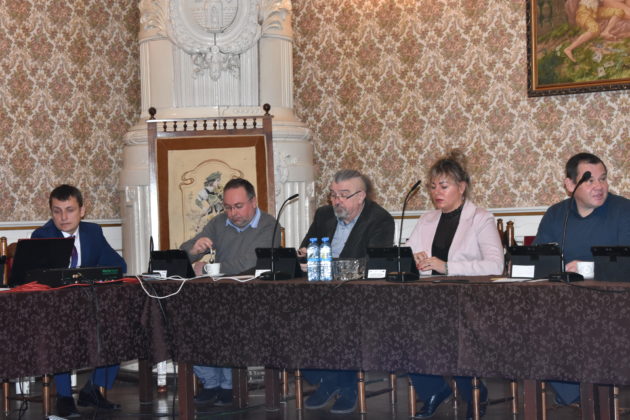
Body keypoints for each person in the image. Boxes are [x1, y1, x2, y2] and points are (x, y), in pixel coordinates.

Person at [405, 150, 503, 420]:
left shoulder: (480, 218)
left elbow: (495, 265)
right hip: (429, 297)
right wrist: (413, 259)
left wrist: (447, 267)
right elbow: (406, 255)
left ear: (461, 187)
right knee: (399, 325)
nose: (436, 192)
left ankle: (475, 394)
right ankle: (434, 390)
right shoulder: (426, 219)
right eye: (432, 186)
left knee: (450, 331)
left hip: (468, 299)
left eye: (443, 186)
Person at [533, 152, 630, 405]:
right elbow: (539, 261)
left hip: (612, 304)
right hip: (563, 304)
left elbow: (627, 264)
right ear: (570, 185)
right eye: (589, 180)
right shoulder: (556, 214)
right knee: (527, 323)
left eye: (603, 179)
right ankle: (576, 392)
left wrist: (586, 268)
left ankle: (587, 394)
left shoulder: (624, 211)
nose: (599, 186)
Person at [297, 169, 395, 414]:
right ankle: (327, 379)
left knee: (342, 321)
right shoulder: (324, 215)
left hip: (359, 295)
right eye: (333, 195)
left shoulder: (380, 219)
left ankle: (345, 386)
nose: (336, 201)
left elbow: (374, 263)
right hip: (321, 292)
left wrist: (330, 265)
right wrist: (304, 256)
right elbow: (307, 247)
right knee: (288, 318)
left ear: (361, 196)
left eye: (343, 195)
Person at [180, 177, 279, 406]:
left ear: (253, 202)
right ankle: (211, 382)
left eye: (238, 206)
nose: (233, 213)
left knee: (227, 321)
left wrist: (208, 268)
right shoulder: (218, 223)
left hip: (253, 297)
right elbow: (184, 252)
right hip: (218, 295)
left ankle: (229, 384)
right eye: (227, 207)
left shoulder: (269, 225)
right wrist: (194, 249)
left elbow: (251, 261)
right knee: (186, 320)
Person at [31, 184, 127, 418]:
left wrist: (91, 275)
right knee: (60, 332)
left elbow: (118, 266)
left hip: (88, 304)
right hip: (55, 309)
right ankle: (64, 398)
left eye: (70, 210)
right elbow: (37, 278)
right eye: (57, 211)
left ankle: (93, 388)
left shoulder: (93, 232)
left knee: (119, 326)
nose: (63, 217)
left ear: (82, 211)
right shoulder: (42, 236)